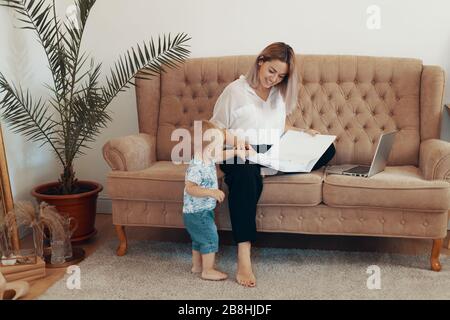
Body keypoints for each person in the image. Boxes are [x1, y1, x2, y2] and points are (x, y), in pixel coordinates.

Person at [210, 42, 336, 287]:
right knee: (246, 176)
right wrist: (234, 140)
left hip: (272, 151)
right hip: (240, 153)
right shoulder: (235, 91)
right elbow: (214, 127)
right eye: (271, 71)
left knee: (327, 148)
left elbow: (279, 127)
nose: (274, 79)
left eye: (281, 76)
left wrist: (302, 132)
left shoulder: (279, 93)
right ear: (260, 62)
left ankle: (267, 169)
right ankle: (244, 256)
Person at [183, 120, 255, 281]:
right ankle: (208, 270)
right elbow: (190, 188)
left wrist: (236, 151)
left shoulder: (206, 157)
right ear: (205, 147)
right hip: (198, 212)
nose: (220, 150)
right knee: (210, 238)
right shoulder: (197, 166)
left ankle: (197, 266)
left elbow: (220, 155)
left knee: (198, 239)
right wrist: (211, 192)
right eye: (218, 146)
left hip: (196, 211)